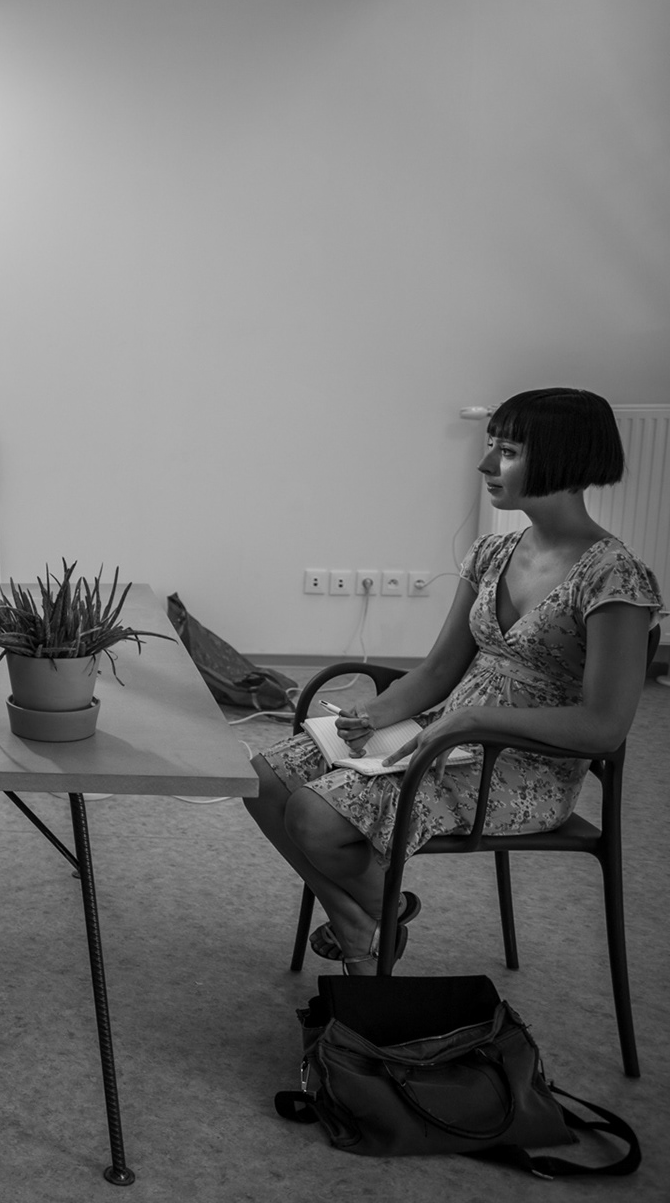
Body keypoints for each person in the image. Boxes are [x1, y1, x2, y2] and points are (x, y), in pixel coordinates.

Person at [245, 388, 660, 974]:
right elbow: (440, 670)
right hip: (447, 733)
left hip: (522, 767)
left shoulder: (614, 576)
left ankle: (366, 920)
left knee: (313, 816)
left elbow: (604, 726)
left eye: (507, 452)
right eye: (492, 447)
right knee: (262, 779)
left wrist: (472, 719)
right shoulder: (492, 552)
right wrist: (376, 715)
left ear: (565, 460)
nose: (485, 465)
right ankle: (366, 917)